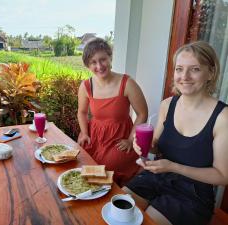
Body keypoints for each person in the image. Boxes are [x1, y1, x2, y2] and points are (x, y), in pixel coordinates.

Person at [124, 41, 228, 225]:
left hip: (192, 194)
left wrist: (173, 167)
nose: (184, 76)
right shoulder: (167, 105)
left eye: (195, 69)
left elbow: (222, 176)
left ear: (211, 73)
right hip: (156, 177)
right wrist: (144, 145)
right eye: (179, 69)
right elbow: (156, 145)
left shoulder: (223, 117)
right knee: (119, 212)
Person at [77, 38, 148, 186]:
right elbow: (82, 112)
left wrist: (130, 139)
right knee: (82, 162)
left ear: (110, 57)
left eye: (103, 59)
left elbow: (142, 113)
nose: (99, 66)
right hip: (94, 135)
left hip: (120, 137)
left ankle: (110, 197)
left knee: (107, 168)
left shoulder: (127, 83)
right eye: (93, 62)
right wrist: (84, 132)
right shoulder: (86, 86)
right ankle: (91, 200)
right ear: (88, 65)